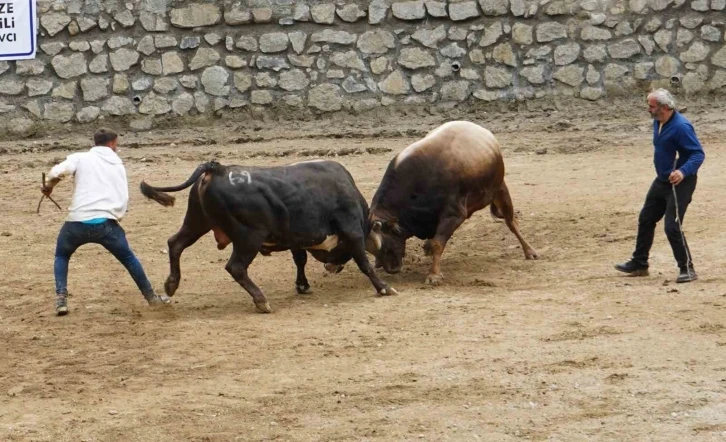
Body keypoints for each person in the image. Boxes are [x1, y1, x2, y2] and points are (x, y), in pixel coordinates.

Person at [42, 129, 170, 316]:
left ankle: (61, 299)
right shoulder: (118, 165)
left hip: (76, 222)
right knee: (128, 258)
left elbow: (57, 172)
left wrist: (48, 186)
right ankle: (151, 298)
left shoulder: (80, 158)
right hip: (106, 225)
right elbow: (123, 197)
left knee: (62, 255)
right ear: (111, 143)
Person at [614, 88, 705, 283]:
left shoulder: (681, 127)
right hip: (663, 180)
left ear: (663, 108)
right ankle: (640, 264)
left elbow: (698, 154)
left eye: (651, 106)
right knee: (646, 218)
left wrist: (682, 171)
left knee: (672, 225)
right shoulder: (659, 121)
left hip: (680, 182)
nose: (648, 109)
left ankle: (687, 269)